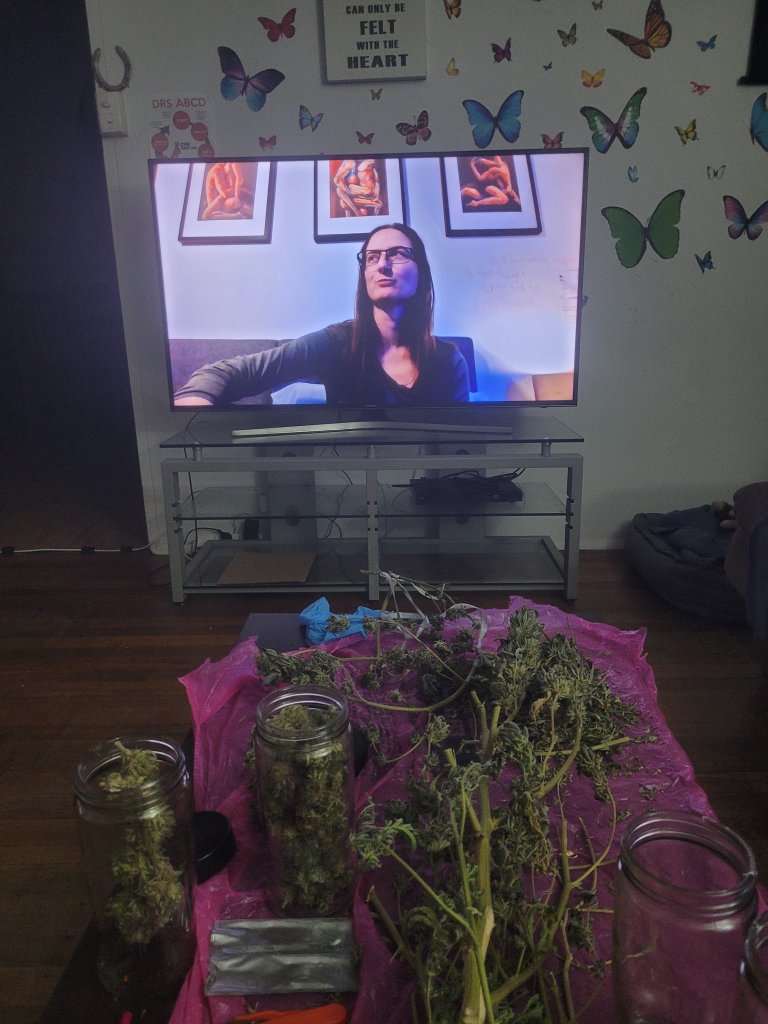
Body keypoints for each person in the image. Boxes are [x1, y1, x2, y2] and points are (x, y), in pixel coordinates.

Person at [174, 223, 470, 406]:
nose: (382, 265)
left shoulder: (449, 361)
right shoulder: (336, 342)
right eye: (372, 257)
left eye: (397, 253)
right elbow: (225, 372)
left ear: (421, 271)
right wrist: (196, 400)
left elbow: (459, 450)